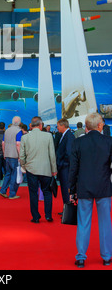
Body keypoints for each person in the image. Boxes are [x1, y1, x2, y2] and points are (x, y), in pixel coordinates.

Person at [69, 112, 112, 268]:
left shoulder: (78, 143)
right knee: (106, 223)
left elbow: (73, 169)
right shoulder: (109, 142)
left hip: (84, 187)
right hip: (104, 187)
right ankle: (107, 257)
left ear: (86, 126)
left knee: (83, 223)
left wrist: (71, 190)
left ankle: (81, 257)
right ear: (100, 126)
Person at [19, 116, 57, 223]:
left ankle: (35, 217)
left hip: (31, 169)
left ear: (31, 126)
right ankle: (48, 216)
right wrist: (54, 169)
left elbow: (21, 156)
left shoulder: (25, 137)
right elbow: (52, 155)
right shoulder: (48, 136)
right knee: (47, 192)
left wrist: (24, 165)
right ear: (41, 125)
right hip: (46, 169)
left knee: (33, 193)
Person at [0, 116, 22, 200]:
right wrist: (20, 156)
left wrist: (4, 153)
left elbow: (3, 143)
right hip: (15, 155)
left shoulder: (7, 130)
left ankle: (3, 190)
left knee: (8, 174)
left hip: (7, 155)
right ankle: (12, 194)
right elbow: (18, 144)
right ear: (19, 123)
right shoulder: (19, 131)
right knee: (15, 175)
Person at [56, 118, 75, 206]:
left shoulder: (69, 136)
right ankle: (66, 208)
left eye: (58, 126)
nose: (57, 128)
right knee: (64, 188)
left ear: (63, 125)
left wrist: (63, 164)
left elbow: (69, 152)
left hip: (65, 168)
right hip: (63, 167)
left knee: (66, 189)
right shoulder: (65, 135)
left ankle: (68, 209)